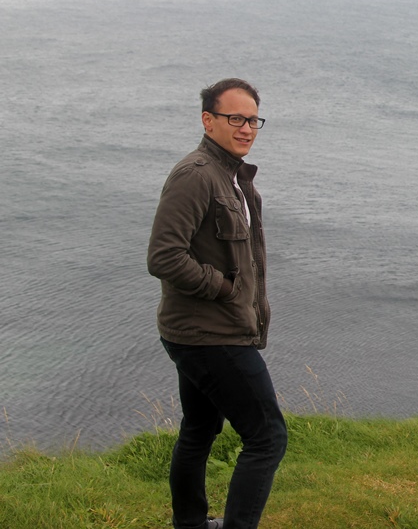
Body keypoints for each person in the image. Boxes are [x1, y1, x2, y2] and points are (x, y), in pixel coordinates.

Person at [148, 78, 287, 529]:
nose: (246, 128)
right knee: (267, 436)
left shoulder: (233, 175)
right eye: (235, 118)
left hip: (203, 331)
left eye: (253, 120)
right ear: (208, 120)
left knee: (200, 429)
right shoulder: (196, 175)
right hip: (210, 334)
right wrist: (224, 289)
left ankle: (189, 524)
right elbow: (164, 256)